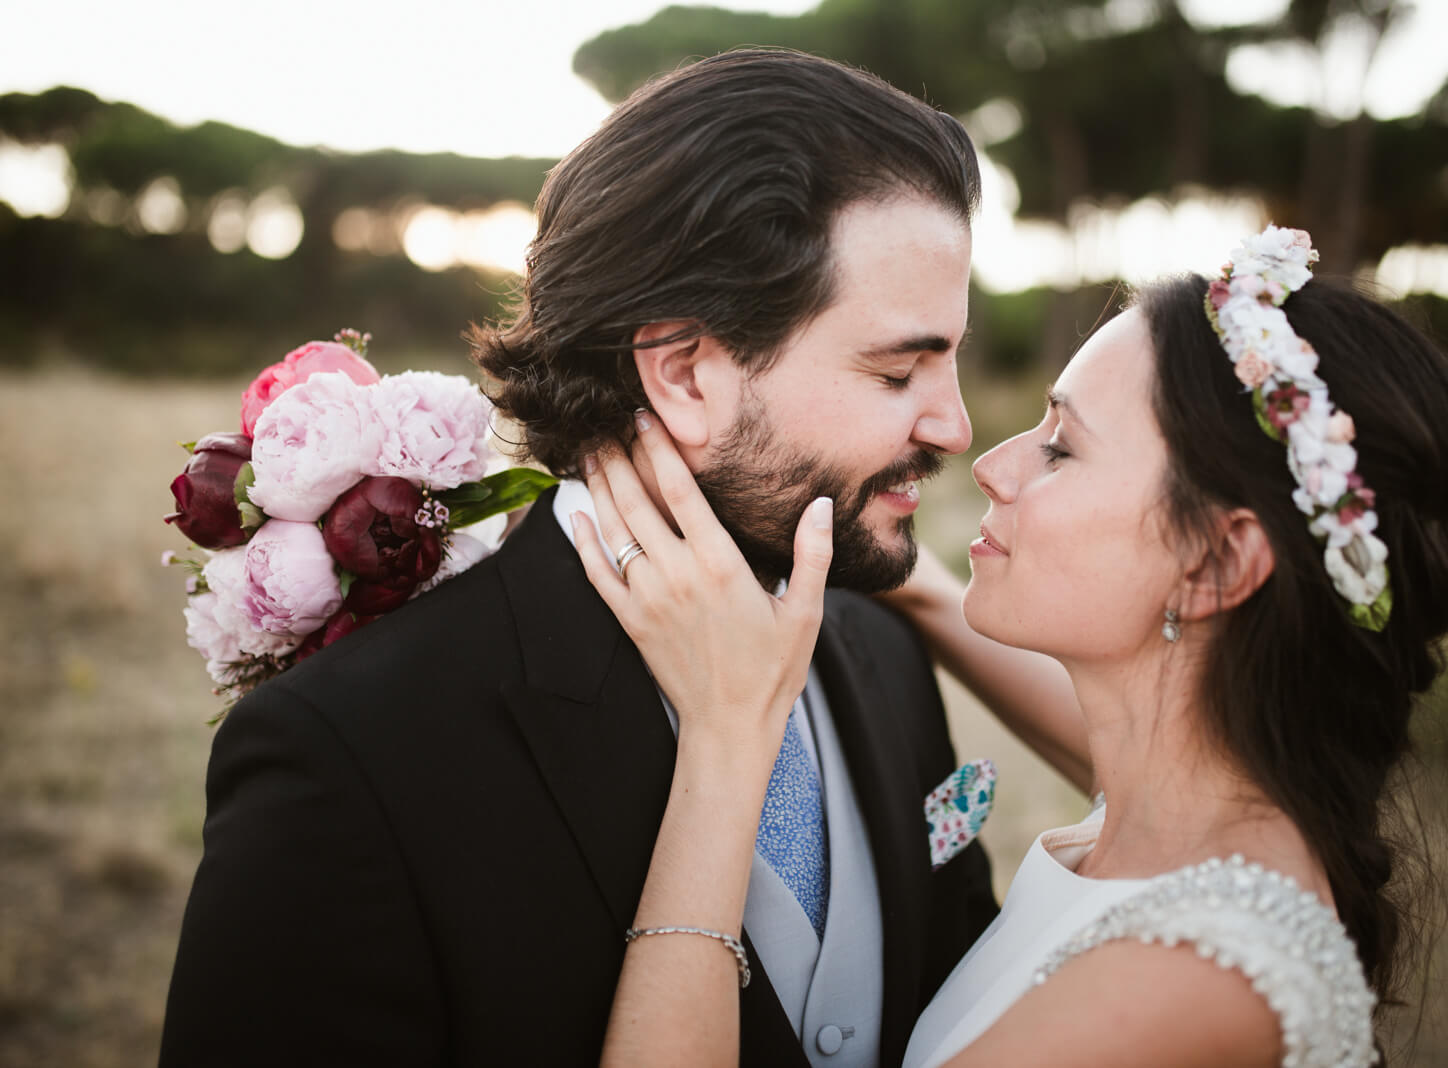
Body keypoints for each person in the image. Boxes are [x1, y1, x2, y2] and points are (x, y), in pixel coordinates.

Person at [159, 49, 999, 1067]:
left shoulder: (884, 653)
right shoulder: (351, 750)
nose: (955, 426)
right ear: (685, 373)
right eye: (898, 370)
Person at [574, 227, 1448, 1067]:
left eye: (1061, 449)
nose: (990, 462)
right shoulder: (1183, 810)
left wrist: (730, 733)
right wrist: (898, 571)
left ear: (1216, 562)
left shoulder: (1192, 977)